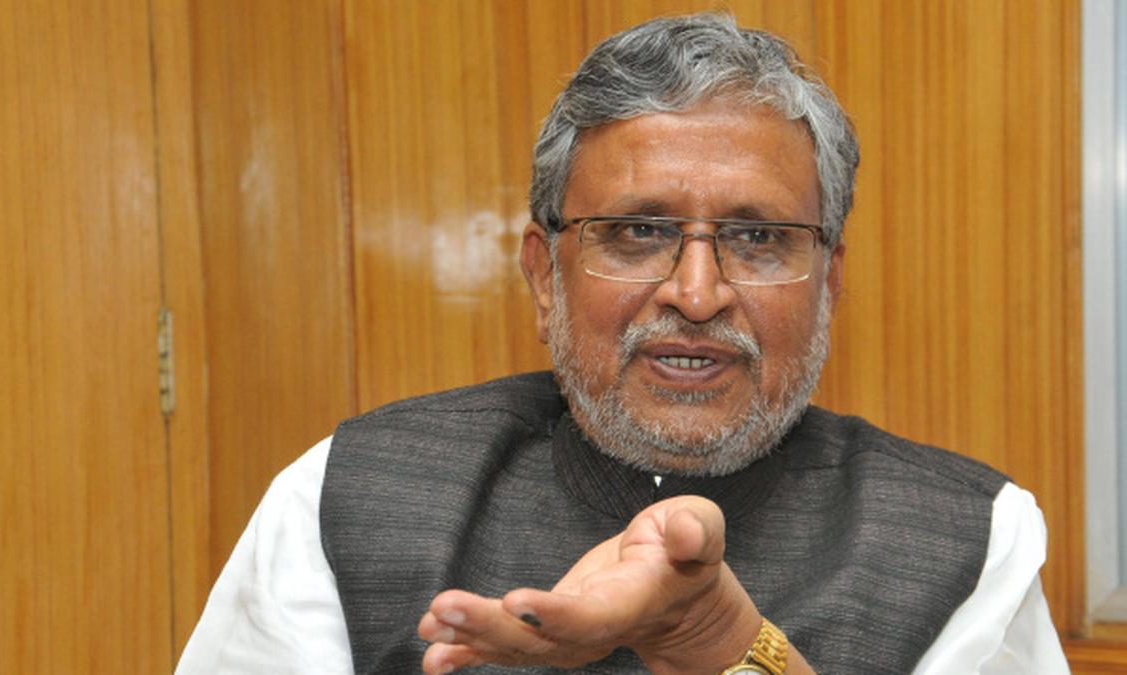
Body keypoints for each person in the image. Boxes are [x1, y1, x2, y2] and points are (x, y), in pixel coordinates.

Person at [177, 13, 1067, 674]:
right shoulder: (345, 496)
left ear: (827, 281)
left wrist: (725, 645)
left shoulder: (964, 540)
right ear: (544, 275)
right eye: (638, 232)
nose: (697, 293)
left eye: (759, 238)